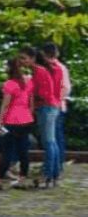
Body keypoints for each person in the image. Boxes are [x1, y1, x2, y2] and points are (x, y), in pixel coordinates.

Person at [0, 58, 34, 189]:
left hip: (10, 122)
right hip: (26, 120)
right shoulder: (28, 81)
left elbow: (5, 106)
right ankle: (22, 179)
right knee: (23, 151)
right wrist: (29, 114)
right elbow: (31, 103)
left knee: (7, 151)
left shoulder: (9, 84)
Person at [27, 46, 62, 188]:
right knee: (52, 142)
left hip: (46, 106)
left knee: (48, 142)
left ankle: (48, 175)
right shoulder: (56, 68)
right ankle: (53, 175)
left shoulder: (40, 71)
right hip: (53, 105)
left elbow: (43, 92)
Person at [41, 44, 72, 175]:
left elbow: (65, 88)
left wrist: (54, 100)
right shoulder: (53, 67)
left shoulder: (58, 68)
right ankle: (53, 165)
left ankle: (56, 165)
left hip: (55, 106)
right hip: (54, 105)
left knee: (54, 139)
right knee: (53, 138)